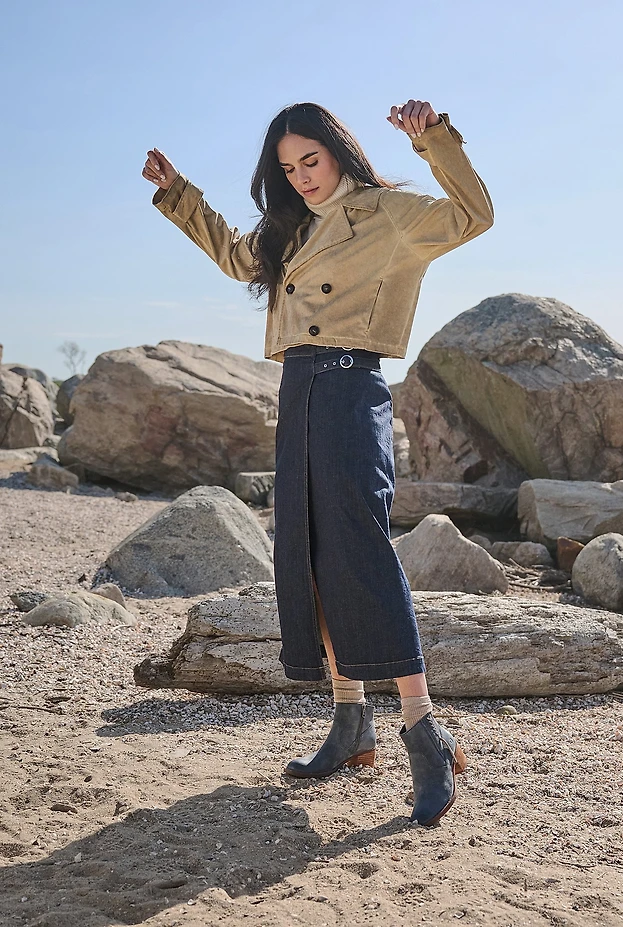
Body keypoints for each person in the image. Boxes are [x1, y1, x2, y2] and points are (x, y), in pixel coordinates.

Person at [142, 98, 493, 827]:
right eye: (288, 167)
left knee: (361, 552)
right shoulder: (290, 227)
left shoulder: (386, 214)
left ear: (339, 151)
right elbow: (236, 256)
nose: (302, 176)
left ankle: (424, 732)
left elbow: (473, 215)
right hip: (297, 387)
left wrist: (434, 140)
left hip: (350, 386)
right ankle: (350, 721)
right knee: (308, 555)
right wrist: (179, 195)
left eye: (311, 160)